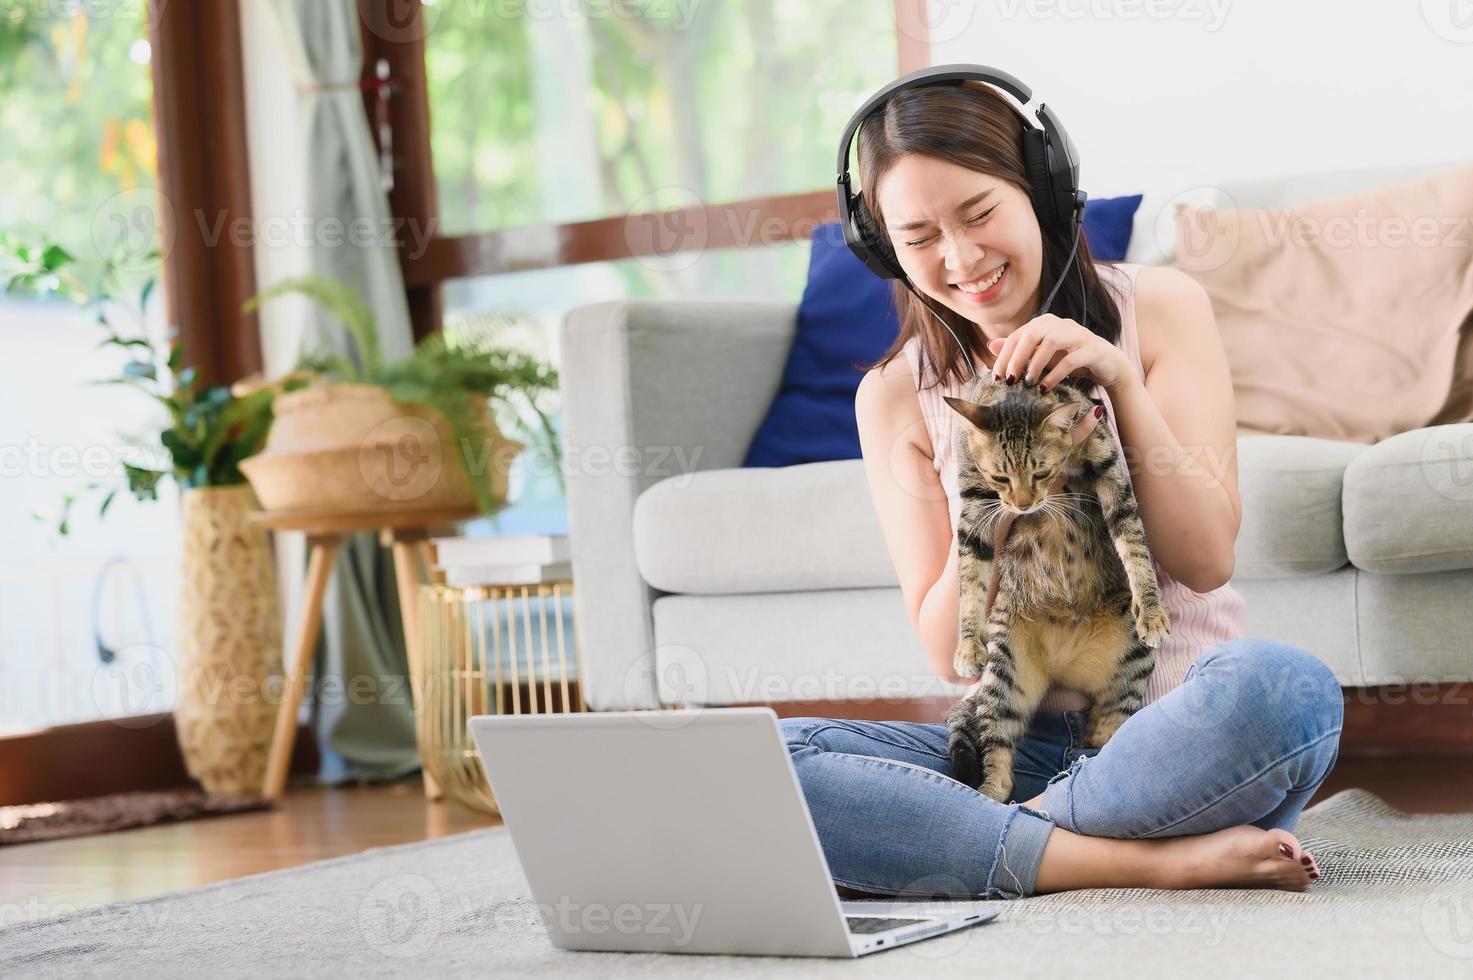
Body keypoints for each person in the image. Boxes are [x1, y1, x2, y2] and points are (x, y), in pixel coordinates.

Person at [784, 76, 1343, 899]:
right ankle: (1128, 860)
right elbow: (948, 652)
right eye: (919, 236)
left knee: (1285, 689)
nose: (961, 259)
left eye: (978, 214)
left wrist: (1120, 382)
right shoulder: (895, 396)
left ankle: (973, 844)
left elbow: (1205, 558)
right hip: (1014, 746)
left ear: (1042, 188)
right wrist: (995, 490)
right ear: (881, 251)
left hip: (1176, 728)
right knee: (773, 763)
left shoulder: (1159, 306)